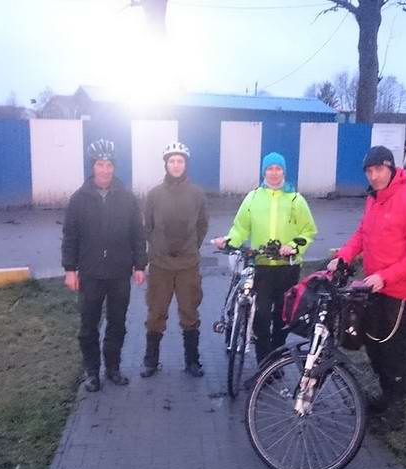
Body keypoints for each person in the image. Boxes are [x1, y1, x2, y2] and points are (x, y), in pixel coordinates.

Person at [328, 145, 406, 431]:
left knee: (392, 350)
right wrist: (343, 257)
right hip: (375, 288)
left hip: (402, 292)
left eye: (379, 170)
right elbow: (362, 234)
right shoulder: (374, 199)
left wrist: (386, 276)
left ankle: (397, 408)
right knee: (374, 344)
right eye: (369, 171)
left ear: (391, 168)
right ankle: (387, 395)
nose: (374, 176)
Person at [213, 152, 317, 366]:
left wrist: (293, 246)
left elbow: (308, 231)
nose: (274, 173)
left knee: (282, 317)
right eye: (270, 169)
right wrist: (228, 241)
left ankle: (276, 360)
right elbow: (240, 228)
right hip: (261, 267)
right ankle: (263, 363)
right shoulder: (253, 198)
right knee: (261, 317)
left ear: (284, 172)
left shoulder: (296, 200)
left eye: (278, 168)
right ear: (264, 172)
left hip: (287, 268)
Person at [62, 139, 147, 392]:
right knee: (88, 326)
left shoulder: (127, 198)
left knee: (117, 324)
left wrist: (139, 265)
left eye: (109, 165)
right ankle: (92, 372)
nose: (105, 170)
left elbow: (137, 234)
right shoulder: (78, 199)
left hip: (119, 272)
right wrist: (70, 270)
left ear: (114, 167)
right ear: (93, 166)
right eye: (100, 164)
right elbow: (70, 236)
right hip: (90, 273)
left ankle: (113, 368)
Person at [141, 142, 209, 378]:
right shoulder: (154, 195)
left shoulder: (197, 194)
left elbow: (202, 225)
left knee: (190, 313)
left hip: (188, 265)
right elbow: (147, 227)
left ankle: (192, 361)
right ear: (166, 165)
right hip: (160, 266)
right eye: (172, 161)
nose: (176, 165)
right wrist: (159, 247)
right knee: (156, 313)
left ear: (185, 164)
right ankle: (151, 361)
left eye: (180, 161)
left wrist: (189, 247)